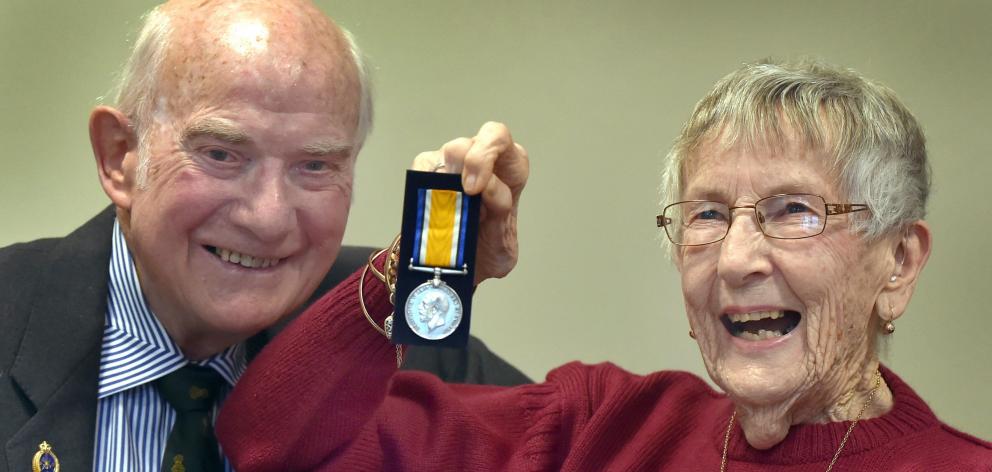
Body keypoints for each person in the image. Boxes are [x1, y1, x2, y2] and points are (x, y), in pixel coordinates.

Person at [215, 60, 992, 471]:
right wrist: (428, 260)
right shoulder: (599, 430)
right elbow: (275, 442)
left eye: (796, 211)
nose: (737, 259)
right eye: (708, 215)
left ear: (898, 262)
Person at [0, 1, 530, 471]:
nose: (269, 218)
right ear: (119, 156)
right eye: (221, 154)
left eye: (316, 165)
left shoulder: (394, 332)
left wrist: (444, 252)